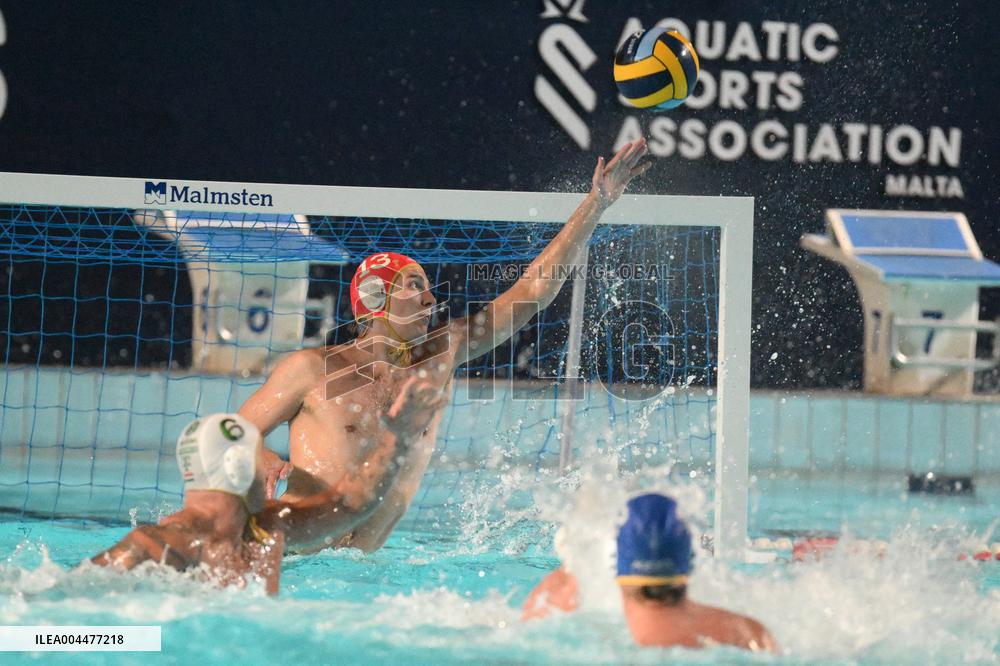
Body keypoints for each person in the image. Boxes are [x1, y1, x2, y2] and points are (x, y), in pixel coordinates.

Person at [240, 138, 653, 552]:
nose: (430, 299)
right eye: (414, 286)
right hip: (293, 558)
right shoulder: (312, 369)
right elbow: (230, 433)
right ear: (374, 299)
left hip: (359, 572)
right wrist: (260, 456)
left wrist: (596, 204)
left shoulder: (442, 353)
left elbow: (533, 291)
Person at [89, 377, 445, 593]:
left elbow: (354, 503)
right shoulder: (152, 547)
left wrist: (398, 436)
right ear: (243, 468)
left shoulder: (268, 526)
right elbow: (49, 633)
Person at [523, 493, 778, 654]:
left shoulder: (574, 636)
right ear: (689, 562)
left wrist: (573, 562)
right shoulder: (746, 633)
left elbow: (534, 615)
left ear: (616, 567)